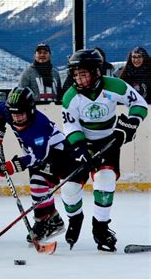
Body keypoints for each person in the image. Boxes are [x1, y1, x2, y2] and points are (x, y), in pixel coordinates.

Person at [61, 49, 148, 251]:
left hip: (108, 142)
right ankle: (75, 220)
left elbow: (139, 103)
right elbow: (70, 126)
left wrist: (130, 125)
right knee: (68, 189)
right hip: (81, 144)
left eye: (83, 74)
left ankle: (100, 229)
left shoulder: (114, 85)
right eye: (75, 74)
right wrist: (81, 149)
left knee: (105, 179)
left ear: (96, 72)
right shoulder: (70, 97)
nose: (79, 79)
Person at [0, 86, 83, 243]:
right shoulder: (7, 110)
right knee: (37, 185)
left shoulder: (39, 125)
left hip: (59, 155)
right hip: (37, 153)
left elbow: (38, 156)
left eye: (21, 114)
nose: (17, 118)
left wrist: (12, 166)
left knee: (38, 182)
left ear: (31, 110)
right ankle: (52, 220)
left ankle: (45, 221)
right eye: (14, 114)